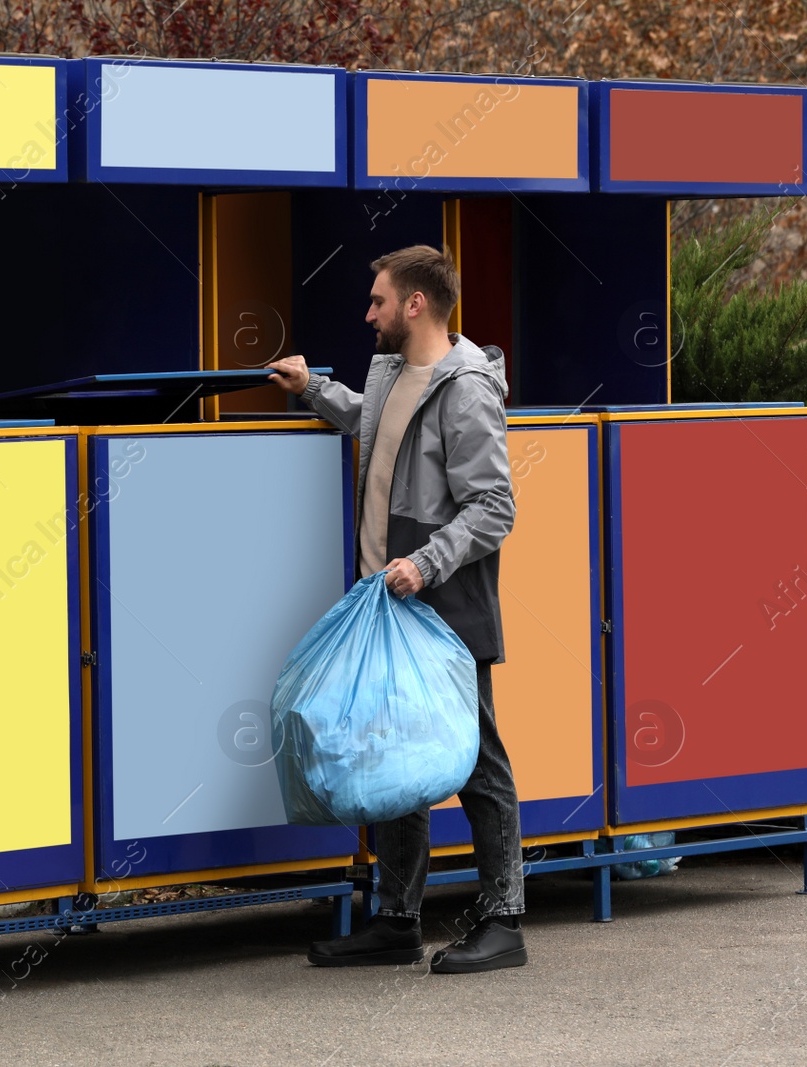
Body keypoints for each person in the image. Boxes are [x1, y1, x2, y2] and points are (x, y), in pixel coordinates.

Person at [266, 244, 525, 974]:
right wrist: (312, 385)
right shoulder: (391, 372)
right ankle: (396, 920)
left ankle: (504, 918)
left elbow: (494, 506)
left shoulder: (467, 387)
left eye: (379, 299)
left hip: (442, 604)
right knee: (391, 761)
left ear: (416, 304)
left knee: (477, 761)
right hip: (390, 601)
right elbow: (373, 429)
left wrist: (426, 562)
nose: (368, 312)